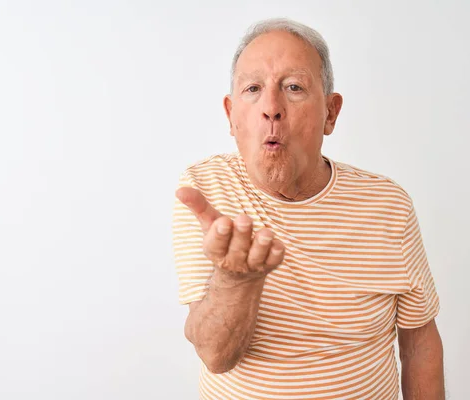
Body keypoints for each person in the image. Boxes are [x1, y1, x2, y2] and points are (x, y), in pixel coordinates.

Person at [172, 18, 444, 400]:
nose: (271, 108)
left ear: (331, 113)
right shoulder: (206, 190)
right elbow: (215, 355)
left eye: (294, 87)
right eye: (253, 89)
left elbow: (419, 343)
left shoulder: (388, 206)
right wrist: (236, 280)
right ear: (231, 115)